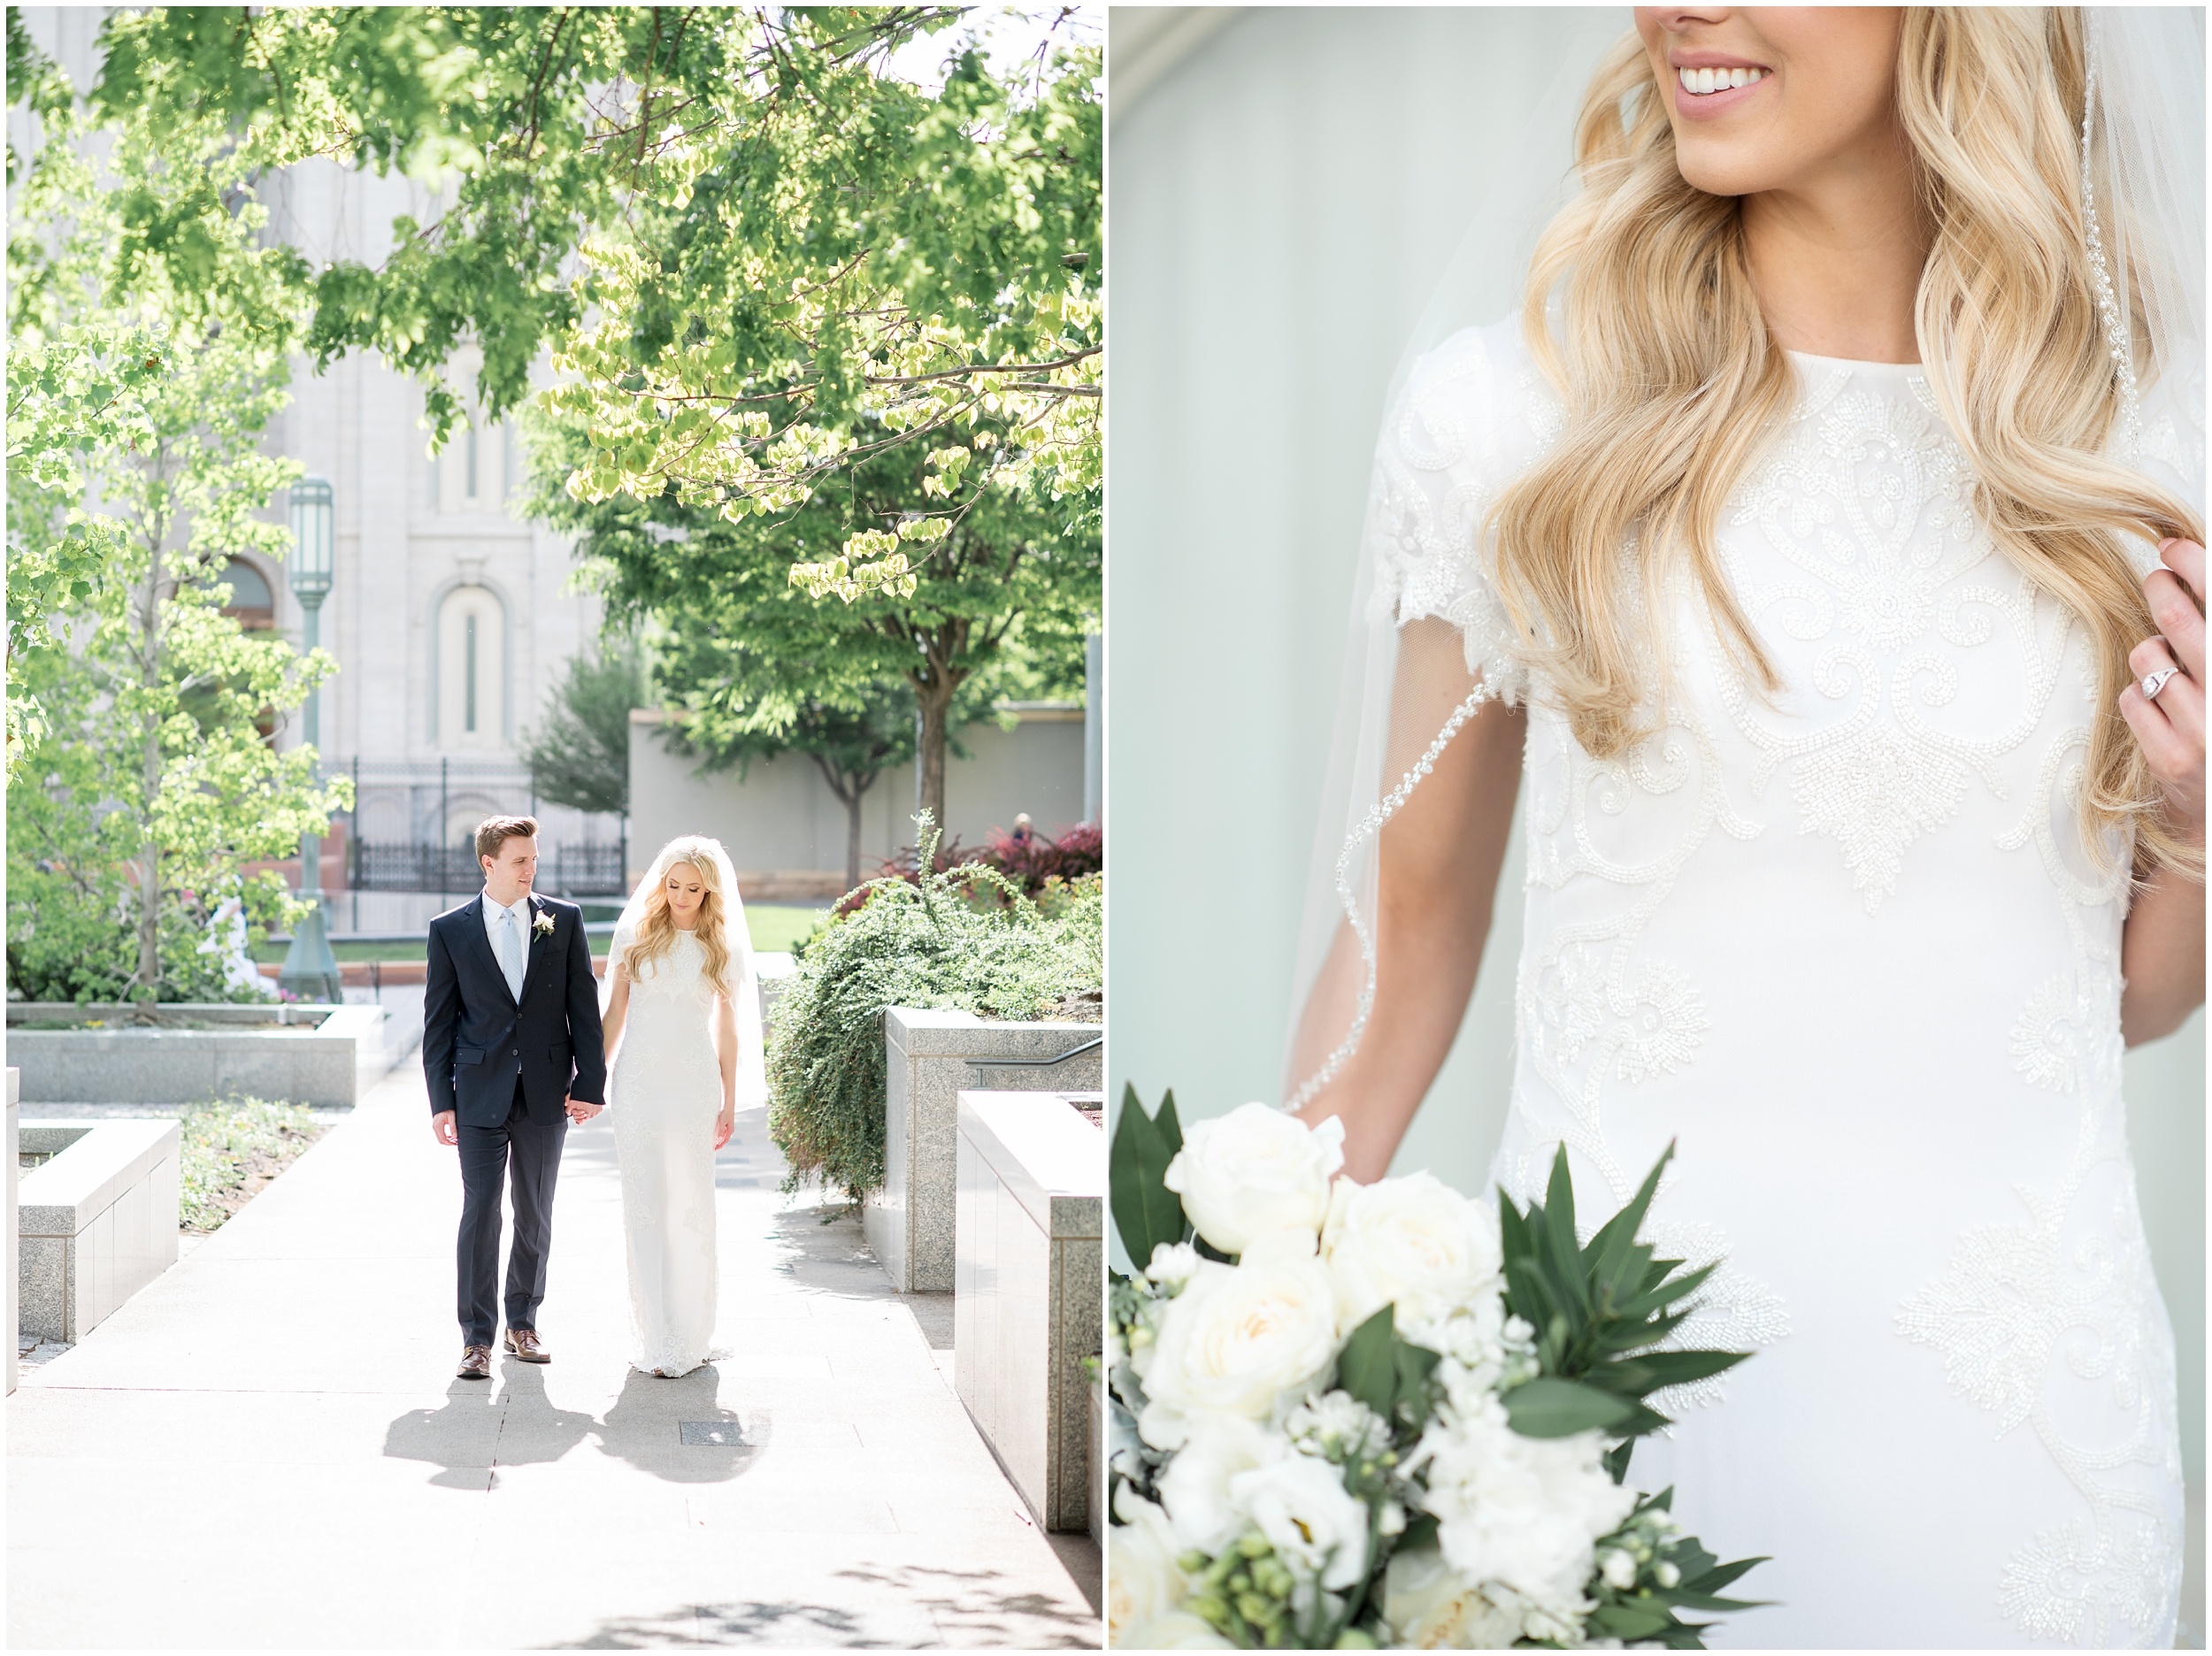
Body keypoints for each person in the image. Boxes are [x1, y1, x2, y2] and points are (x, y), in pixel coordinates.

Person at [1284, 9, 2202, 1647]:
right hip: (1595, 1437)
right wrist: (1247, 1343)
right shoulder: (1509, 424)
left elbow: (2111, 996)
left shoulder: (2137, 445)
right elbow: (1409, 937)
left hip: (2016, 1454)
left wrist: (2203, 814)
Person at [423, 816, 607, 1380]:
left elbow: (584, 1005)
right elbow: (439, 1022)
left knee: (534, 1212)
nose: (531, 869)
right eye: (519, 860)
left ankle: (522, 1324)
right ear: (489, 863)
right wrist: (441, 1100)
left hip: (546, 1091)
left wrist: (590, 1085)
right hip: (478, 1092)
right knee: (480, 1211)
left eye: (533, 859)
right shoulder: (450, 930)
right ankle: (475, 1338)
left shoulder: (564, 921)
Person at [598, 836, 766, 1378]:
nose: (682, 897)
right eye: (673, 886)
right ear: (661, 883)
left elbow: (728, 1030)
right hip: (639, 1084)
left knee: (689, 1207)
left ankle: (692, 1332)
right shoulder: (635, 935)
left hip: (693, 1086)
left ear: (710, 890)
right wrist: (591, 1077)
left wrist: (729, 1102)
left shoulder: (723, 946)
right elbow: (615, 1015)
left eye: (693, 888)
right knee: (645, 1204)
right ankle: (658, 1332)